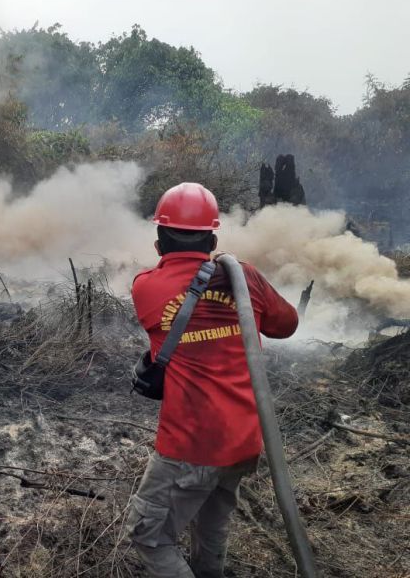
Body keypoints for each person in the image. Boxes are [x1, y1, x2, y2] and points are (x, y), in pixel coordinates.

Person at [126, 182, 298, 578]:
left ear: (158, 243)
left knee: (149, 537)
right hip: (242, 441)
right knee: (211, 527)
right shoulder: (245, 280)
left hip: (190, 444)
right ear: (214, 239)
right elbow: (286, 325)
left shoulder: (146, 287)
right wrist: (241, 278)